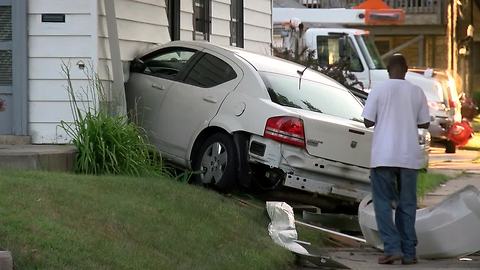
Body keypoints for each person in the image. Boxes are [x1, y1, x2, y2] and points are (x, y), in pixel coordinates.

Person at [362, 54, 430, 265]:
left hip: (383, 155)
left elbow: (367, 121)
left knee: (382, 203)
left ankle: (392, 248)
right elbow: (425, 123)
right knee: (407, 204)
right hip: (409, 156)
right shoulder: (417, 92)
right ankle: (409, 252)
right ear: (406, 70)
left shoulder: (379, 90)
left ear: (388, 69)